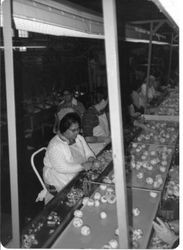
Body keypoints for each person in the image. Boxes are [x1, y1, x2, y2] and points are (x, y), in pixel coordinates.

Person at [43, 112, 95, 193]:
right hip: (58, 179)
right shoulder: (55, 145)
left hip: (77, 172)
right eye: (73, 130)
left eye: (78, 129)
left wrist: (91, 159)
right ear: (64, 129)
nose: (77, 132)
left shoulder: (78, 138)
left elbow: (89, 153)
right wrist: (83, 166)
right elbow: (62, 168)